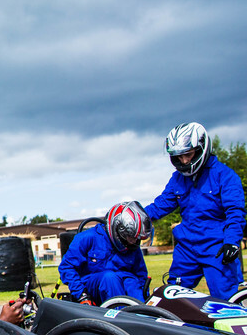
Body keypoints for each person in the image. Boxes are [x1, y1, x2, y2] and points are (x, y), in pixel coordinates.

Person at [145, 122, 246, 299]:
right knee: (172, 299)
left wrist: (232, 242)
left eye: (188, 155)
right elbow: (161, 205)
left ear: (202, 148)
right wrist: (136, 215)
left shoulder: (226, 176)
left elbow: (235, 212)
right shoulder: (177, 179)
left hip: (217, 248)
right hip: (186, 248)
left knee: (225, 302)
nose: (184, 161)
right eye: (179, 157)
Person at [58, 201, 153, 305]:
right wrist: (81, 295)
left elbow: (141, 275)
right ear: (118, 229)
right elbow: (66, 267)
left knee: (132, 282)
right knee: (109, 278)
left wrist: (144, 296)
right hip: (93, 286)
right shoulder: (87, 238)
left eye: (137, 238)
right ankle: (120, 316)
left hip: (122, 283)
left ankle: (143, 315)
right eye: (131, 237)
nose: (134, 241)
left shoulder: (133, 247)